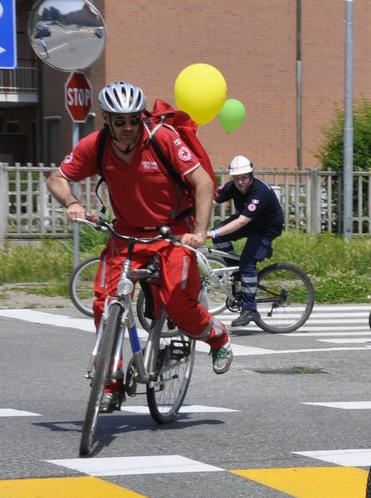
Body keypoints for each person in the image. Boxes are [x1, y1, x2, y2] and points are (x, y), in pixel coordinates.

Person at [45, 81, 233, 410]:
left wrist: (199, 232)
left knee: (180, 307)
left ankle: (217, 336)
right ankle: (111, 380)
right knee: (105, 304)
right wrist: (72, 203)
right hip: (126, 234)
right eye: (120, 121)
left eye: (134, 119)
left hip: (172, 233)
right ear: (106, 120)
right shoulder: (98, 145)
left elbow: (202, 181)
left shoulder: (162, 138)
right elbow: (57, 178)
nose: (128, 128)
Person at [209, 155, 285, 328]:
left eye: (244, 178)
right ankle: (237, 272)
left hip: (265, 228)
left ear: (251, 176)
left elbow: (242, 221)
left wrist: (211, 233)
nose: (240, 182)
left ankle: (250, 309)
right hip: (249, 221)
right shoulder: (232, 187)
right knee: (221, 236)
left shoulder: (260, 192)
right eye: (236, 178)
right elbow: (211, 201)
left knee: (247, 262)